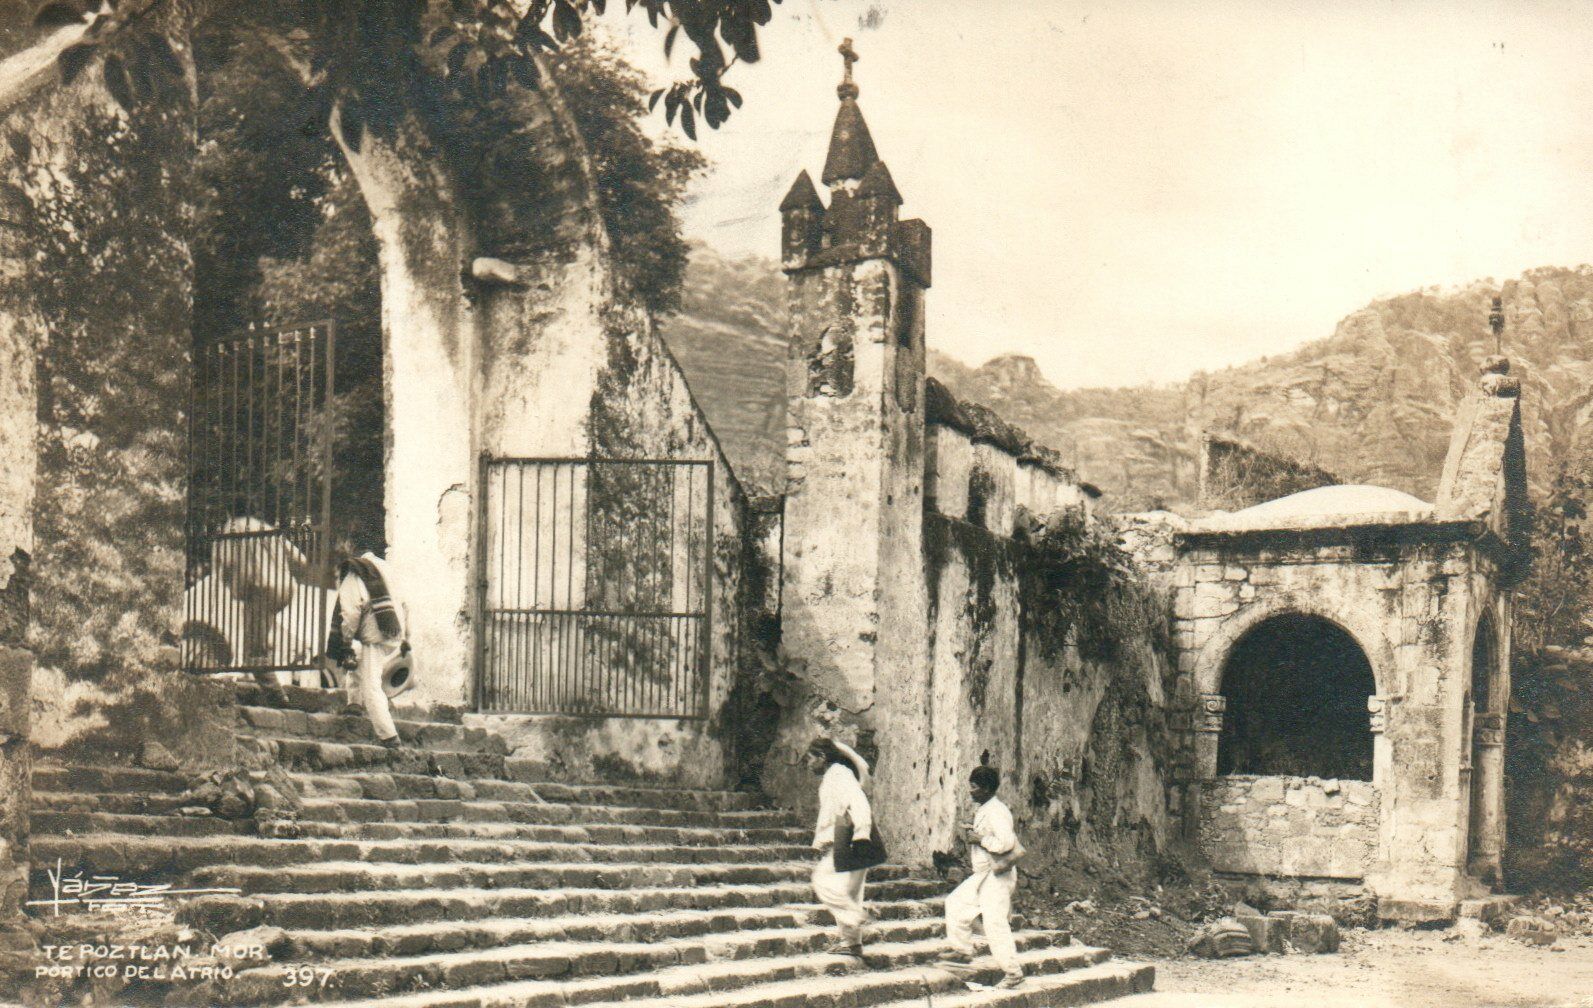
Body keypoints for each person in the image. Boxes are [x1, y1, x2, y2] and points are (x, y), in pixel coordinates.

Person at [938, 765, 1025, 989]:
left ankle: (1013, 973)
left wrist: (980, 839)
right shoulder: (987, 807)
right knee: (955, 903)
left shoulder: (997, 811)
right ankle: (962, 950)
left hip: (997, 876)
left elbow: (1005, 842)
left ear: (986, 788)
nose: (970, 791)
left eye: (974, 787)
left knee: (995, 924)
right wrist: (973, 830)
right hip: (983, 875)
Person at [325, 540, 406, 748]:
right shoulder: (385, 566)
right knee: (358, 656)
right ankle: (353, 703)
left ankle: (389, 736)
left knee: (371, 684)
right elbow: (403, 602)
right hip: (392, 628)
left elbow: (351, 611)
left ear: (352, 547)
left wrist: (345, 639)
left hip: (373, 632)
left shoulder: (356, 570)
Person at [806, 737, 875, 961]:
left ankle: (857, 917)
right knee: (849, 892)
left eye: (810, 759)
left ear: (822, 758)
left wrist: (862, 835)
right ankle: (852, 943)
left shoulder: (839, 775)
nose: (808, 764)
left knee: (822, 881)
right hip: (850, 837)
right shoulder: (834, 775)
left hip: (852, 838)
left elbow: (859, 801)